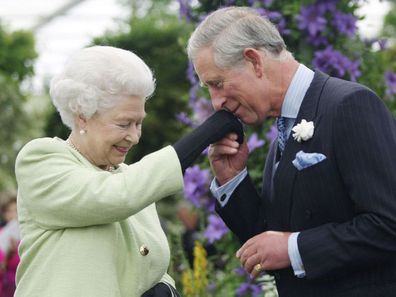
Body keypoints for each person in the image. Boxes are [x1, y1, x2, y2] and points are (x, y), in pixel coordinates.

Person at [186, 6, 396, 297]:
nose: (216, 102)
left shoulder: (349, 105)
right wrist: (232, 179)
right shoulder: (283, 130)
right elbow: (269, 245)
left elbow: (388, 225)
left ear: (254, 61)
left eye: (217, 84)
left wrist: (295, 248)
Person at [14, 45, 243, 297]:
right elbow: (114, 197)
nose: (134, 136)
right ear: (82, 116)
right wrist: (205, 133)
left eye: (139, 123)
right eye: (124, 123)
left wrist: (164, 288)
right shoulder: (40, 160)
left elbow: (149, 263)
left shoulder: (129, 178)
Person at [0, 193, 20, 297]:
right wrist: (8, 256)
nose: (13, 215)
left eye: (15, 210)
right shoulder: (2, 235)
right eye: (9, 211)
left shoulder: (26, 235)